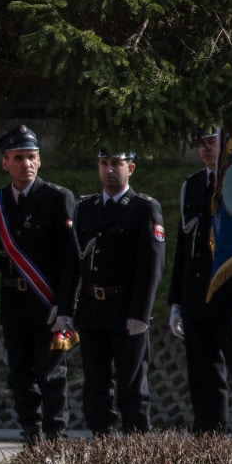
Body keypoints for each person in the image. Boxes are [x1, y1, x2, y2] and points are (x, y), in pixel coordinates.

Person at [169, 129, 232, 433]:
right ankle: (209, 448)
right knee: (203, 380)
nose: (206, 149)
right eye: (202, 144)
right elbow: (183, 247)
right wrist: (175, 300)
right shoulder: (193, 185)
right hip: (198, 298)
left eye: (212, 142)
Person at [0, 125, 79, 446]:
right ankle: (31, 437)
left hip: (48, 304)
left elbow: (70, 261)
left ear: (39, 161)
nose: (26, 164)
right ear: (5, 163)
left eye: (32, 157)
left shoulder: (57, 198)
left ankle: (54, 439)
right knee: (19, 375)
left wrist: (65, 307)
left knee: (51, 375)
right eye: (19, 157)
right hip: (14, 303)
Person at [73, 147, 165, 435]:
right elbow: (73, 262)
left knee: (132, 387)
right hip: (92, 308)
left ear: (131, 168)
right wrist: (68, 308)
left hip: (126, 309)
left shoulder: (143, 208)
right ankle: (104, 447)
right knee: (95, 386)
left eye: (116, 163)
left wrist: (141, 313)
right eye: (103, 163)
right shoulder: (85, 207)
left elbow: (152, 266)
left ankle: (136, 450)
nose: (109, 170)